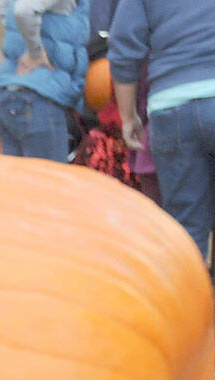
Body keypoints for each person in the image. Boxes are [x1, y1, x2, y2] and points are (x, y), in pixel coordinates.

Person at [110, 0, 215, 265]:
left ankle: (192, 304)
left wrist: (128, 115)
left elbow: (124, 48)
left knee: (186, 226)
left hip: (171, 107)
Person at [0, 0, 91, 162]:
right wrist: (35, 51)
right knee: (49, 182)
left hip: (8, 91)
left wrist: (20, 41)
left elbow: (3, 6)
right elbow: (24, 10)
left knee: (17, 183)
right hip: (38, 98)